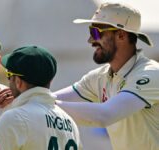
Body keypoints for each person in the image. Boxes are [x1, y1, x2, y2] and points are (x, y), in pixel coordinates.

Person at [54, 2, 159, 150]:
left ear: (121, 35)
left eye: (96, 32)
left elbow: (105, 115)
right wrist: (22, 99)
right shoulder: (100, 77)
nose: (90, 40)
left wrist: (40, 102)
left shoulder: (151, 73)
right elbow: (53, 99)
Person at [0, 46, 82, 150]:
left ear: (18, 82)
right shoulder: (70, 123)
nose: (9, 81)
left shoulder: (15, 118)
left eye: (9, 75)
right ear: (49, 81)